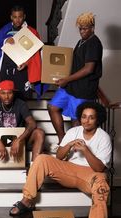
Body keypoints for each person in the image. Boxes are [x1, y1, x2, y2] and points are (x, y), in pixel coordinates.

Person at [10, 102, 112, 218]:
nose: (87, 121)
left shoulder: (104, 137)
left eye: (91, 118)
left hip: (90, 174)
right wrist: (69, 144)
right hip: (68, 170)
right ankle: (27, 200)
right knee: (42, 159)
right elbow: (59, 156)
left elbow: (100, 168)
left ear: (98, 119)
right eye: (84, 117)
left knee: (101, 184)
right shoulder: (73, 131)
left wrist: (85, 150)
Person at [48, 12, 103, 152]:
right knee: (52, 107)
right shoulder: (81, 41)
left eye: (85, 28)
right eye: (80, 29)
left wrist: (66, 79)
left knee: (76, 121)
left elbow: (89, 69)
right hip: (71, 86)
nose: (82, 31)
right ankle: (62, 140)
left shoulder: (94, 43)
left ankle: (72, 151)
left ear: (92, 27)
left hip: (83, 90)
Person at [0, 80, 45, 188]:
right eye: (3, 93)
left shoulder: (21, 103)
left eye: (9, 93)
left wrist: (19, 140)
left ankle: (32, 172)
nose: (6, 97)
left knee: (39, 133)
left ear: (14, 93)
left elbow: (32, 123)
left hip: (18, 141)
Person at [0, 5, 42, 100]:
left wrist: (27, 63)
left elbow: (37, 53)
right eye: (15, 17)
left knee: (22, 97)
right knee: (6, 97)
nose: (17, 20)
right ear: (11, 17)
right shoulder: (5, 30)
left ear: (24, 17)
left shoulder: (32, 32)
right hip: (6, 67)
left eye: (20, 17)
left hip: (22, 68)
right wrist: (5, 41)